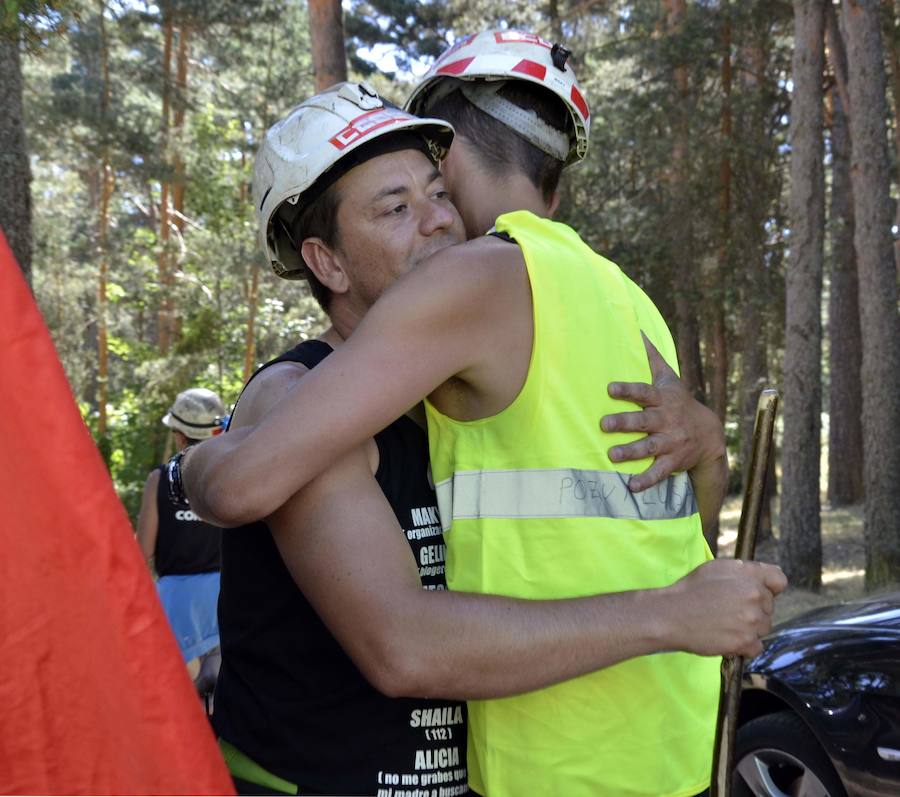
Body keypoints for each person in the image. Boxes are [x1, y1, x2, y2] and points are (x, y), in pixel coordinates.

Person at [182, 68, 786, 797]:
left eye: (437, 192)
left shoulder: (460, 400)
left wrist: (704, 434)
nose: (437, 219)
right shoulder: (297, 398)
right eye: (395, 209)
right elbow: (403, 646)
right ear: (327, 261)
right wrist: (669, 613)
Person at [136, 387, 225, 701]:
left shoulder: (160, 480)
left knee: (179, 702)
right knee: (216, 701)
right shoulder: (231, 477)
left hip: (176, 603)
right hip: (224, 597)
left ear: (179, 435)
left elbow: (142, 552)